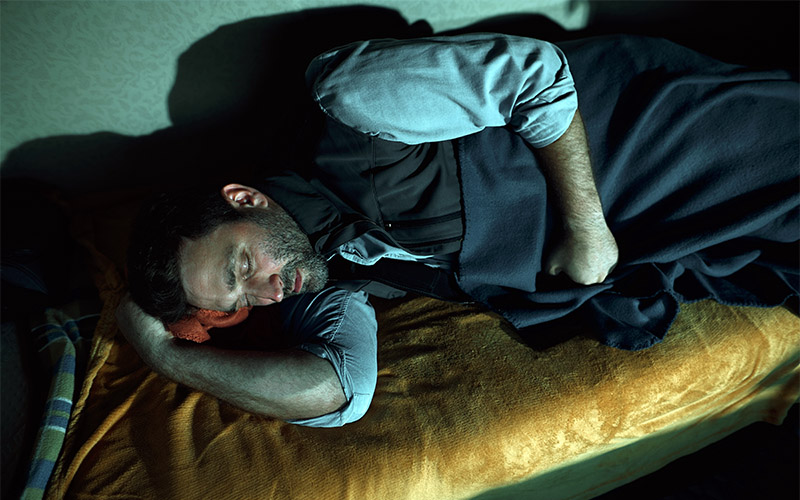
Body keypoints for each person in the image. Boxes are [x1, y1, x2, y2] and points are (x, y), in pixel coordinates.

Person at [117, 33, 799, 427]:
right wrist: (170, 357)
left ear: (245, 199)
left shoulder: (343, 99)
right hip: (656, 232)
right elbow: (340, 393)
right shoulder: (319, 271)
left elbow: (536, 74)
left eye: (240, 268)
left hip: (655, 141)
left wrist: (586, 228)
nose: (263, 294)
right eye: (236, 303)